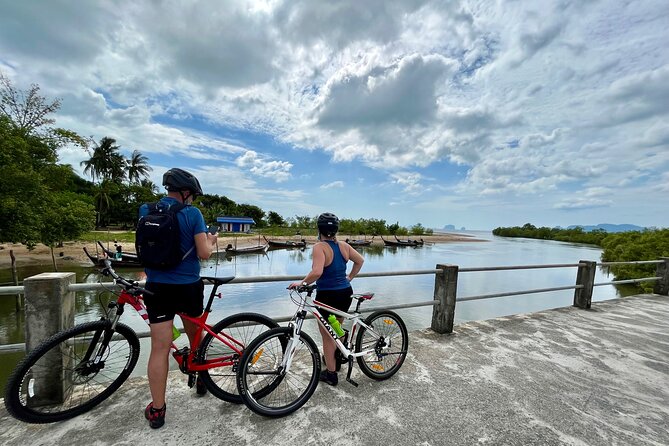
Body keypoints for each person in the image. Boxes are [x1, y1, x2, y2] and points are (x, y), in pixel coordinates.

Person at [139, 168, 217, 429]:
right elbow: (204, 253)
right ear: (186, 193)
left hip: (156, 288)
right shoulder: (192, 214)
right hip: (188, 287)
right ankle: (202, 378)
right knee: (197, 337)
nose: (192, 199)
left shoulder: (145, 210)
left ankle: (158, 410)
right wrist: (212, 241)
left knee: (159, 349)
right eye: (192, 195)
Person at [289, 212, 364, 386]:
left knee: (327, 336)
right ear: (336, 229)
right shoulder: (344, 246)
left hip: (327, 295)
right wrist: (349, 277)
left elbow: (317, 272)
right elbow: (359, 261)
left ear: (319, 229)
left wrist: (301, 283)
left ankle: (331, 373)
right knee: (335, 327)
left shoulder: (319, 247)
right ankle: (340, 349)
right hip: (345, 293)